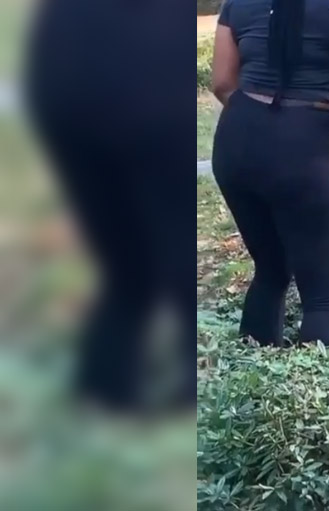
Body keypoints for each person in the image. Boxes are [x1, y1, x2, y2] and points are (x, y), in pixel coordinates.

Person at [23, 0, 198, 412]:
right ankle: (166, 390)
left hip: (70, 106)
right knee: (167, 259)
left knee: (128, 266)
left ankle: (104, 389)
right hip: (138, 109)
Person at [211, 0, 329, 347]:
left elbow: (222, 82)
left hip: (234, 145)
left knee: (271, 269)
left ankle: (252, 377)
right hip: (304, 144)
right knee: (325, 295)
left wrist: (259, 119)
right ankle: (308, 397)